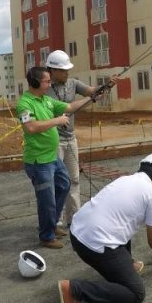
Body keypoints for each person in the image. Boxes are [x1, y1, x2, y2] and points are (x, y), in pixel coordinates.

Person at [57, 154, 152, 303]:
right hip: (95, 246)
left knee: (122, 221)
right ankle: (74, 290)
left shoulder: (125, 179)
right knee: (135, 293)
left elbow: (127, 205)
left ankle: (127, 265)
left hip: (77, 233)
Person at [17, 66, 96, 249]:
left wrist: (91, 98)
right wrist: (57, 121)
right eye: (46, 81)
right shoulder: (24, 104)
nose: (49, 84)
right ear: (36, 83)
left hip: (51, 157)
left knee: (64, 184)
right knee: (46, 199)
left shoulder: (46, 100)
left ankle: (51, 224)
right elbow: (30, 127)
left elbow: (69, 107)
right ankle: (46, 235)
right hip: (38, 161)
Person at [44, 50, 112, 230]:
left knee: (73, 179)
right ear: (52, 71)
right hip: (54, 140)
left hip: (70, 139)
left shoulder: (73, 83)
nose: (67, 73)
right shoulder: (45, 90)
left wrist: (105, 86)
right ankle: (55, 219)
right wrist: (91, 98)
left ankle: (74, 217)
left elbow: (91, 91)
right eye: (63, 70)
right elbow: (64, 109)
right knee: (56, 181)